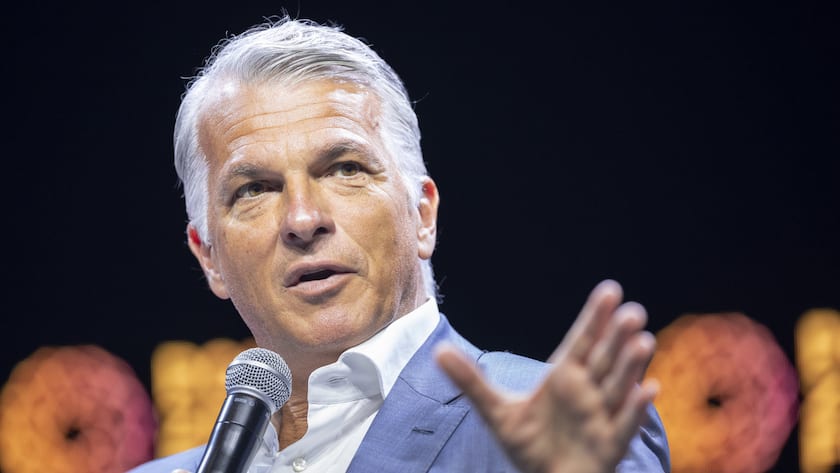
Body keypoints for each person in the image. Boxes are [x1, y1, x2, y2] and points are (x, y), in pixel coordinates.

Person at [129, 15, 669, 473]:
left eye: (345, 169)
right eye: (254, 189)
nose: (302, 218)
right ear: (208, 257)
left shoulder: (551, 427)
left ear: (422, 215)